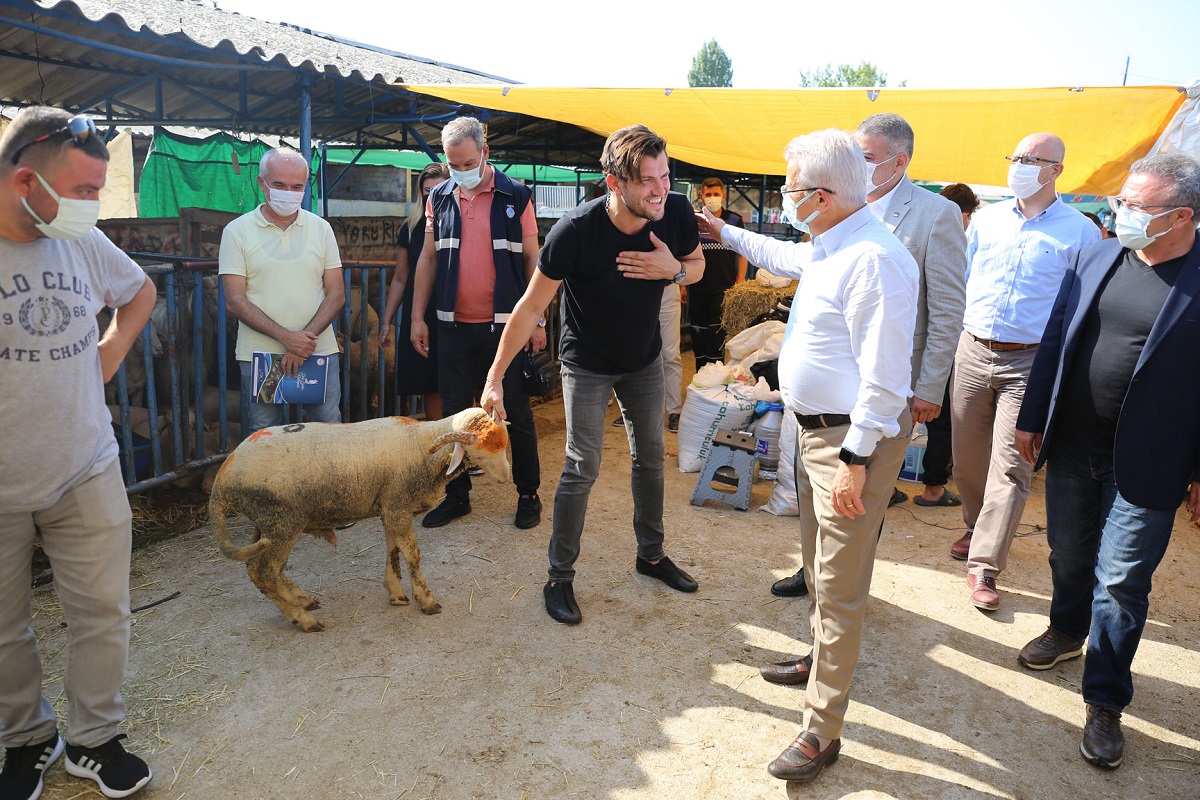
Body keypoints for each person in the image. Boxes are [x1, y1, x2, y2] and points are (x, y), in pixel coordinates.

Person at [700, 129, 918, 784]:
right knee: (821, 567)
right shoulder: (834, 242)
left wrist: (855, 459)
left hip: (851, 439)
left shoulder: (874, 260)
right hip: (817, 430)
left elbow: (885, 378)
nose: (786, 200)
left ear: (820, 196)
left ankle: (822, 731)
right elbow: (784, 254)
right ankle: (817, 656)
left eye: (791, 189)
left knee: (840, 584)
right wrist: (724, 231)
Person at [1014, 153, 1200, 769]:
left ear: (1182, 216)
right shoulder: (1097, 255)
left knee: (1120, 582)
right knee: (1067, 553)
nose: (1122, 215)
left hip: (1151, 460)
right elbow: (1056, 338)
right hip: (1072, 443)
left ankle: (1105, 700)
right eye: (1123, 202)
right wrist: (1030, 417)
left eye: (1138, 208)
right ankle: (1067, 630)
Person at [480, 124, 704, 625]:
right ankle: (559, 577)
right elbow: (529, 305)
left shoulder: (676, 212)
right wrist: (495, 377)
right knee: (582, 465)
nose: (660, 189)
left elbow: (697, 264)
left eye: (665, 176)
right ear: (613, 182)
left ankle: (650, 556)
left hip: (644, 359)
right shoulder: (575, 232)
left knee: (650, 458)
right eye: (647, 180)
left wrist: (676, 272)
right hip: (586, 362)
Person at [0, 106, 156, 799]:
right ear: (25, 181)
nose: (94, 206)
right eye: (85, 192)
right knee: (4, 629)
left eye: (100, 189)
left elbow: (139, 290)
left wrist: (111, 351)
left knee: (103, 613)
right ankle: (26, 739)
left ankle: (93, 739)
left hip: (85, 465)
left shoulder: (81, 243)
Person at [766, 113, 967, 600]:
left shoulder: (933, 214)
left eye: (868, 157)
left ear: (900, 162)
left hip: (885, 388)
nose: (857, 165)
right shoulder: (840, 215)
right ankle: (818, 577)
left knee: (855, 503)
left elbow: (946, 308)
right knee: (826, 508)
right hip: (836, 388)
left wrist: (928, 388)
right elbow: (797, 261)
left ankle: (840, 594)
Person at [950, 133, 1102, 611]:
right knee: (967, 457)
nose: (1017, 165)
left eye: (1029, 159)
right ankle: (977, 525)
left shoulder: (1080, 232)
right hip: (972, 349)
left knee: (1013, 463)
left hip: (1031, 362)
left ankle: (984, 566)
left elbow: (1080, 306)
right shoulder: (987, 220)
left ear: (1055, 169)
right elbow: (962, 280)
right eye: (1014, 156)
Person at [409, 117, 544, 530]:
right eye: (452, 164)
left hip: (504, 328)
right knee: (454, 415)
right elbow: (428, 259)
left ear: (484, 152)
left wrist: (536, 321)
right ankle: (456, 495)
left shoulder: (516, 196)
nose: (460, 171)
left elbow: (532, 260)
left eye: (467, 161)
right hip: (451, 326)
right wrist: (418, 317)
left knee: (515, 412)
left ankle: (528, 493)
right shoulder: (440, 198)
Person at [219, 147, 345, 434]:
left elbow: (337, 293)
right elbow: (235, 300)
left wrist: (303, 344)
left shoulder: (321, 229)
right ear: (262, 183)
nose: (288, 192)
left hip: (318, 352)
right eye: (279, 185)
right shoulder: (237, 232)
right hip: (260, 356)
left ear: (305, 187)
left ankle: (323, 482)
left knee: (328, 431)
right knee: (264, 433)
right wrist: (288, 339)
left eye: (296, 187)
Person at [381, 161, 450, 420]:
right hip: (419, 314)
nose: (433, 196)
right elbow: (400, 278)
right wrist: (387, 320)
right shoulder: (410, 228)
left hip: (453, 311)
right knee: (429, 383)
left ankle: (468, 448)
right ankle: (443, 452)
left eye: (439, 189)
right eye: (427, 191)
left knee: (461, 380)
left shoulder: (463, 224)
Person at [688, 177, 746, 368]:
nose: (712, 198)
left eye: (716, 194)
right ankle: (700, 379)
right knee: (698, 335)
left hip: (724, 288)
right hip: (697, 287)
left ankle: (716, 379)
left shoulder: (734, 220)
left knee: (716, 337)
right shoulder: (694, 220)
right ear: (701, 196)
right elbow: (685, 252)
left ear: (723, 195)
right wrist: (683, 286)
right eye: (708, 194)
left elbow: (742, 252)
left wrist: (740, 280)